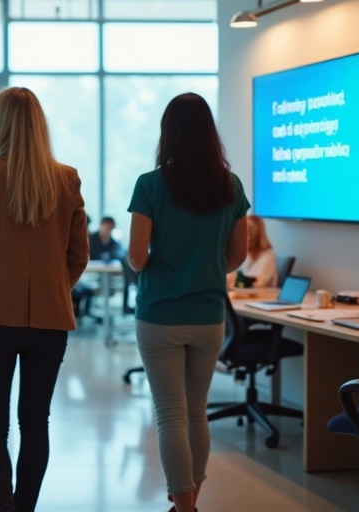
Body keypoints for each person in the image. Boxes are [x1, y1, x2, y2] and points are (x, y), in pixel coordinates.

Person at [0, 86, 88, 512]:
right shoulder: (66, 178)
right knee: (35, 422)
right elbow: (78, 255)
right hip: (50, 321)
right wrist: (53, 289)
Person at [126, 93, 249, 512]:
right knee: (197, 411)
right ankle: (190, 500)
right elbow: (238, 256)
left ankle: (185, 507)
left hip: (160, 314)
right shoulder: (229, 185)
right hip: (209, 315)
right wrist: (205, 265)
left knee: (170, 415)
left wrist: (158, 260)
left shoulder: (151, 184)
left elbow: (137, 257)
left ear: (168, 134)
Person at [229, 216, 278, 288]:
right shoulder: (245, 254)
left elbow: (258, 284)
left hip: (261, 297)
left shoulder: (267, 256)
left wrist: (234, 280)